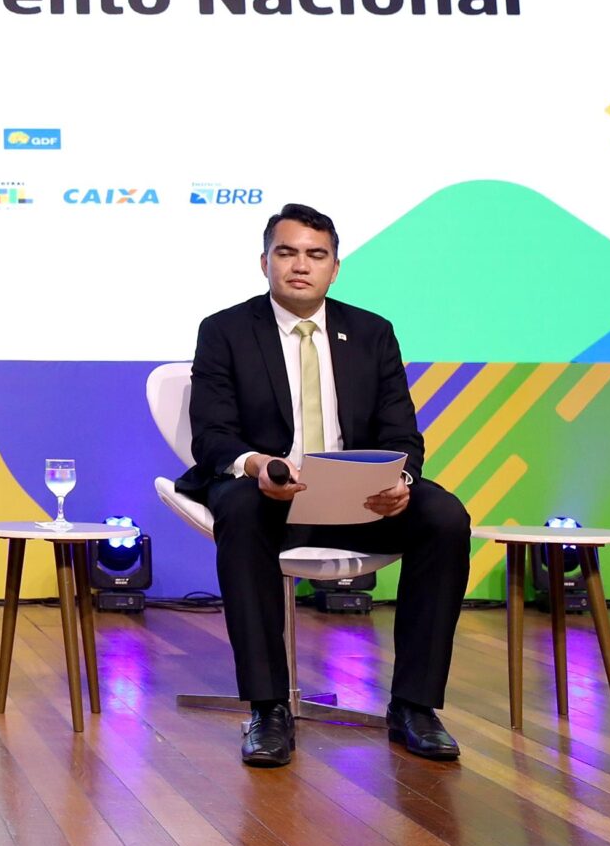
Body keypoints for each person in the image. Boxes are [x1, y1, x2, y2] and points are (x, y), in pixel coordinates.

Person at [175, 203, 470, 768]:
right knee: (239, 509)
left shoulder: (372, 332)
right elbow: (211, 435)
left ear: (335, 268)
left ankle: (414, 706)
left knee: (444, 516)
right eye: (286, 253)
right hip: (269, 493)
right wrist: (257, 466)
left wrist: (399, 478)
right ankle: (268, 708)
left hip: (358, 496)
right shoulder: (225, 331)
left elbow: (401, 433)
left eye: (316, 255)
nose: (300, 265)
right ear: (265, 262)